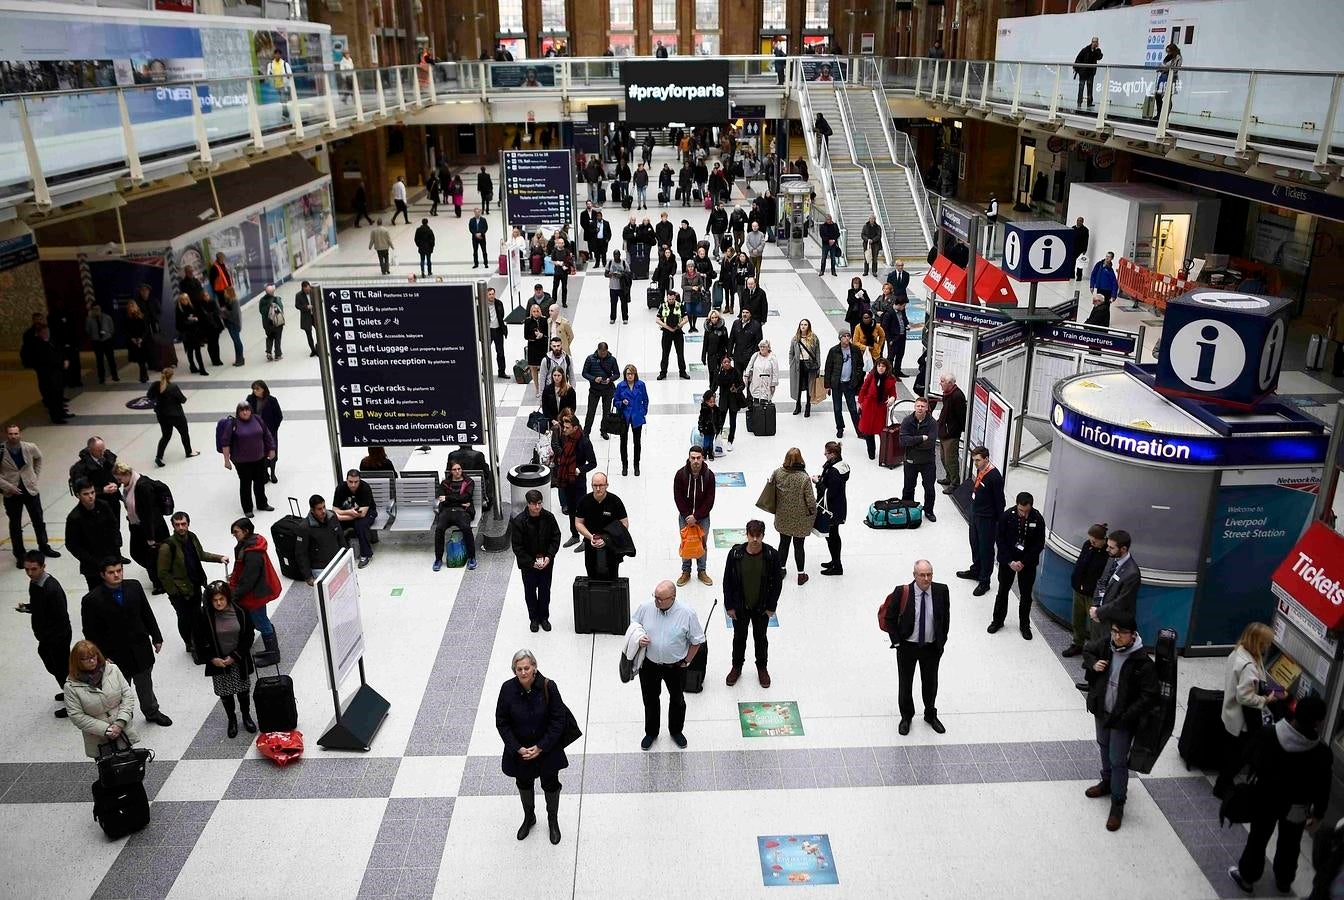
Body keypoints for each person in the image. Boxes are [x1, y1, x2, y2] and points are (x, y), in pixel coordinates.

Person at [1227, 695, 1331, 894]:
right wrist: (1318, 814)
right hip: (1297, 807)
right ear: (1318, 722)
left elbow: (1249, 758)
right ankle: (1284, 881)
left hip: (1266, 799)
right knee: (1290, 844)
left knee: (1258, 839)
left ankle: (1247, 877)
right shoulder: (1322, 752)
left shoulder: (1268, 735)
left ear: (1296, 711)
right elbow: (1323, 786)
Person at [1082, 615, 1159, 832]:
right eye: (1114, 631)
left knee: (1118, 760)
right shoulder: (1107, 644)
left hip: (1122, 721)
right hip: (1102, 711)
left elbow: (1149, 696)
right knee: (1103, 746)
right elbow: (1088, 649)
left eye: (1121, 633)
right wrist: (1093, 664)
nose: (1116, 636)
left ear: (1133, 636)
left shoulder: (1142, 662)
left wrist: (1125, 716)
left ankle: (1118, 803)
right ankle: (1106, 782)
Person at [81, 559, 172, 726]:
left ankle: (151, 711)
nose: (116, 574)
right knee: (118, 691)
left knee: (145, 684)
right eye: (111, 572)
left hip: (140, 647)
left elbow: (146, 613)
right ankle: (122, 721)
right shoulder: (91, 600)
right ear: (103, 574)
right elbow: (90, 632)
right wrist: (102, 655)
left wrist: (156, 637)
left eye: (119, 570)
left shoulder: (134, 587)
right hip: (115, 655)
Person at [497, 649, 572, 845]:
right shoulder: (507, 689)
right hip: (520, 752)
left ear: (535, 668)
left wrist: (540, 747)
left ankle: (552, 820)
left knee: (551, 784)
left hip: (547, 750)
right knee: (524, 783)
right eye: (519, 669)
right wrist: (517, 748)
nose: (523, 672)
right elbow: (502, 722)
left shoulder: (549, 686)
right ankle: (529, 817)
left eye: (527, 668)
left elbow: (558, 720)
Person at [1213, 621, 1282, 798]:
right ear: (1258, 643)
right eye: (1266, 642)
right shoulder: (1248, 666)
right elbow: (1244, 697)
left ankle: (1224, 781)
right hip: (1241, 720)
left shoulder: (1238, 653)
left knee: (1230, 752)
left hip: (1229, 713)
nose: (1268, 646)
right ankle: (1222, 786)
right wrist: (1266, 699)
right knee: (1238, 756)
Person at [633, 580, 705, 750]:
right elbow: (634, 626)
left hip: (675, 667)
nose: (656, 601)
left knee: (677, 700)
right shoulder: (646, 607)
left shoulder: (687, 613)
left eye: (660, 599)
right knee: (650, 699)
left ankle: (676, 731)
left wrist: (687, 661)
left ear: (673, 597)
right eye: (655, 597)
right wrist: (639, 638)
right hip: (649, 664)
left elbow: (697, 640)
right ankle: (651, 732)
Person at [885, 559, 951, 735]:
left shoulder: (941, 590)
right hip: (907, 647)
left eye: (929, 574)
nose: (926, 578)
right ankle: (906, 717)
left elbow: (945, 619)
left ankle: (930, 714)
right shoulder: (902, 592)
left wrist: (941, 642)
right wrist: (897, 642)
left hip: (930, 647)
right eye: (922, 575)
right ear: (914, 575)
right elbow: (889, 618)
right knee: (905, 683)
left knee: (931, 684)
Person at [156, 511, 227, 654]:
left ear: (188, 524)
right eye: (177, 525)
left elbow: (201, 554)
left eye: (183, 524)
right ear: (173, 526)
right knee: (184, 617)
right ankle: (189, 642)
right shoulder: (168, 546)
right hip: (180, 591)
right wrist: (174, 592)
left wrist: (219, 558)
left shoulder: (192, 537)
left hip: (194, 585)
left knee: (196, 614)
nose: (181, 527)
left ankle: (198, 639)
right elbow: (162, 573)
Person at [193, 581, 257, 738]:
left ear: (227, 597)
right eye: (214, 600)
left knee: (243, 692)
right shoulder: (204, 615)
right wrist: (211, 658)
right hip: (219, 663)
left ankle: (246, 716)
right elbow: (198, 641)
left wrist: (235, 656)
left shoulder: (241, 611)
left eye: (221, 599)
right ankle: (232, 720)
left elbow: (249, 636)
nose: (218, 603)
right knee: (226, 695)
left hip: (239, 661)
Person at [722, 519, 782, 688]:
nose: (755, 539)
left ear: (763, 535)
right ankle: (737, 666)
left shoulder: (771, 555)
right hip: (740, 607)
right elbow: (727, 581)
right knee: (739, 638)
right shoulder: (735, 555)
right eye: (752, 535)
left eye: (758, 536)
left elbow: (777, 583)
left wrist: (771, 607)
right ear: (746, 534)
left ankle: (762, 668)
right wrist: (729, 606)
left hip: (762, 607)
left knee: (761, 638)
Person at [64, 640, 143, 756]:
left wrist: (119, 723)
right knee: (108, 770)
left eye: (93, 656)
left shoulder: (113, 669)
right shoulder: (71, 686)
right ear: (77, 661)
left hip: (122, 730)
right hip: (98, 737)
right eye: (86, 658)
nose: (92, 661)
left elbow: (127, 696)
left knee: (130, 765)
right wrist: (106, 730)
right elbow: (76, 716)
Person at [987, 492, 1046, 640]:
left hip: (1027, 563)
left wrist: (1023, 562)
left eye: (1026, 511)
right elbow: (1000, 540)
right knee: (1002, 591)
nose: (1024, 514)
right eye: (1021, 510)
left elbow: (1039, 544)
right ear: (1017, 505)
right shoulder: (1007, 517)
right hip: (1009, 561)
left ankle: (1025, 625)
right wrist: (1010, 561)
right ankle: (998, 621)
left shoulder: (1037, 518)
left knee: (1026, 595)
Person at [1, 424, 59, 567]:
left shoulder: (29, 447)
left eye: (15, 433)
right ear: (6, 435)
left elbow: (39, 458)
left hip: (30, 489)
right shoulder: (1, 451)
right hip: (11, 491)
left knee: (38, 519)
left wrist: (34, 476)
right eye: (10, 434)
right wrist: (8, 487)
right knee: (15, 524)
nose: (13, 436)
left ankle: (44, 546)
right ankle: (20, 554)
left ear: (20, 434)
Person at [24, 551, 72, 719]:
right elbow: (40, 606)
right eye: (27, 569)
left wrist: (51, 638)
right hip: (46, 636)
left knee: (62, 669)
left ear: (43, 567)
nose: (30, 573)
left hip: (57, 637)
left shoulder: (51, 588)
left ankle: (73, 702)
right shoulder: (35, 583)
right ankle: (67, 691)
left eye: (34, 569)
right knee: (53, 665)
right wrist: (29, 607)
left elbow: (60, 617)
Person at [228, 517, 281, 663]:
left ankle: (273, 654)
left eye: (236, 532)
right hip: (255, 591)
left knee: (261, 622)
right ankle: (272, 649)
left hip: (254, 594)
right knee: (261, 620)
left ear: (246, 531)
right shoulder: (250, 545)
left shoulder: (252, 552)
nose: (234, 535)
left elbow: (248, 579)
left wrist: (235, 595)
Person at [956, 446, 1005, 596]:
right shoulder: (980, 470)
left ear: (986, 459)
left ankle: (985, 581)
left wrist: (998, 522)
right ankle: (976, 570)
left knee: (986, 549)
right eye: (974, 460)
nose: (975, 463)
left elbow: (1000, 502)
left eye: (978, 460)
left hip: (987, 519)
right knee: (975, 543)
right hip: (975, 513)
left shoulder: (995, 477)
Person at [511, 490, 561, 633]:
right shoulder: (519, 521)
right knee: (530, 592)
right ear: (528, 504)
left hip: (546, 563)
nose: (537, 507)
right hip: (528, 565)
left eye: (539, 503)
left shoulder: (549, 517)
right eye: (534, 504)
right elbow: (517, 547)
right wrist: (531, 562)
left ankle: (544, 617)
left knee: (545, 591)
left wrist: (549, 557)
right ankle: (533, 619)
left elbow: (555, 538)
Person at [767, 447, 817, 586]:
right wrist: (813, 512)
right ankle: (801, 575)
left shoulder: (777, 473)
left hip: (783, 515)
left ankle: (781, 570)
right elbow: (811, 501)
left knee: (783, 543)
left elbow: (771, 489)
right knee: (799, 546)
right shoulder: (804, 478)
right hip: (800, 518)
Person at [218, 402, 276, 517]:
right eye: (242, 410)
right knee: (246, 483)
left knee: (260, 482)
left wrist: (272, 449)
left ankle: (262, 504)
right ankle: (247, 508)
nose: (245, 412)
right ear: (238, 412)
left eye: (247, 409)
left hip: (259, 458)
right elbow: (225, 443)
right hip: (241, 462)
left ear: (251, 410)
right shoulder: (233, 424)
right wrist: (226, 460)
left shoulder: (257, 419)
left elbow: (267, 434)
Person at [66, 480, 123, 591]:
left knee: (118, 591)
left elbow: (114, 526)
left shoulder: (104, 506)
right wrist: (90, 559)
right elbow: (71, 544)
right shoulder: (74, 518)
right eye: (86, 494)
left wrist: (116, 547)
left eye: (92, 492)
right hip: (93, 566)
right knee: (98, 595)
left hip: (112, 559)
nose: (91, 496)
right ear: (78, 495)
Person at [1063, 523, 1109, 658]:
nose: (1092, 543)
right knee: (1077, 619)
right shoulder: (1087, 545)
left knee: (1095, 625)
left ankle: (1095, 650)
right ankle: (1077, 643)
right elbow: (1080, 564)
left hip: (1093, 594)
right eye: (1090, 540)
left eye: (1095, 541)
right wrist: (1077, 582)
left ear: (1103, 540)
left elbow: (1100, 574)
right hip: (1079, 589)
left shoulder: (1107, 553)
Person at [673, 445, 716, 587]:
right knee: (686, 541)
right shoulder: (680, 475)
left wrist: (696, 516)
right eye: (693, 458)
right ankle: (686, 571)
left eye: (698, 458)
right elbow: (678, 497)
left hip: (702, 518)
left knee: (702, 543)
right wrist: (687, 516)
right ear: (689, 458)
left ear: (703, 458)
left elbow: (710, 500)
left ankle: (702, 570)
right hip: (685, 517)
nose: (696, 461)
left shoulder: (709, 476)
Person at [551, 415, 596, 547]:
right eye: (564, 426)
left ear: (575, 427)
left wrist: (579, 470)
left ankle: (586, 538)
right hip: (567, 479)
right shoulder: (567, 439)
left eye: (567, 427)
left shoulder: (584, 442)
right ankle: (574, 535)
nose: (564, 429)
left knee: (582, 511)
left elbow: (593, 463)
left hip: (579, 481)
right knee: (571, 509)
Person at [575, 472, 630, 580]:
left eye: (601, 485)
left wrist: (608, 538)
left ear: (607, 485)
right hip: (591, 543)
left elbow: (624, 523)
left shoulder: (615, 501)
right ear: (591, 485)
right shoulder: (584, 501)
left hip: (611, 545)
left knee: (612, 573)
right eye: (595, 485)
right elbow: (578, 523)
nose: (598, 488)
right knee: (591, 572)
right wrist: (590, 537)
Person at [1089, 529, 1140, 638]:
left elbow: (1121, 603)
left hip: (1114, 623)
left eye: (1111, 548)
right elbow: (1102, 582)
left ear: (1123, 549)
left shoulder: (1132, 573)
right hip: (1098, 615)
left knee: (1106, 651)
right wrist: (1096, 605)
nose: (1107, 549)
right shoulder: (1112, 558)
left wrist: (1099, 612)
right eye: (1108, 546)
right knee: (1095, 647)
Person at [898, 397, 939, 523]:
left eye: (923, 406)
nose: (920, 408)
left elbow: (931, 443)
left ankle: (929, 510)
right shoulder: (907, 421)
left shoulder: (932, 423)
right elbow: (903, 441)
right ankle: (907, 509)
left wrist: (913, 442)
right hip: (911, 461)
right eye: (918, 406)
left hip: (928, 462)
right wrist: (921, 438)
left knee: (929, 488)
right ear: (914, 407)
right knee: (908, 487)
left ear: (927, 408)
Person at [145, 367, 195, 467]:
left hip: (162, 415)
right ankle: (188, 452)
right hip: (176, 415)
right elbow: (183, 400)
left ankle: (158, 457)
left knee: (166, 436)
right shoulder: (173, 387)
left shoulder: (155, 385)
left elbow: (149, 396)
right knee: (184, 433)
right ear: (171, 376)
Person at [293, 493, 348, 585]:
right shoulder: (304, 528)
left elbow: (340, 537)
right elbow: (301, 554)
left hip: (337, 561)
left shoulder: (332, 516)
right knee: (325, 597)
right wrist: (308, 576)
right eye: (319, 509)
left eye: (324, 507)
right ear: (312, 510)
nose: (323, 511)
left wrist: (346, 556)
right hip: (320, 569)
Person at [814, 440, 850, 575]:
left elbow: (830, 492)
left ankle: (837, 565)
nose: (824, 454)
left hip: (832, 509)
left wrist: (818, 483)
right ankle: (835, 560)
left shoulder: (834, 471)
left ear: (833, 454)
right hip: (838, 506)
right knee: (832, 535)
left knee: (832, 536)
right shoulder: (840, 465)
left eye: (827, 453)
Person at [432, 463, 477, 572]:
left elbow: (467, 496)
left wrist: (448, 498)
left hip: (463, 511)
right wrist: (460, 500)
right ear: (451, 471)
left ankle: (472, 557)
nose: (457, 471)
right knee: (439, 529)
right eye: (454, 469)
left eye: (459, 469)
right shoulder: (445, 483)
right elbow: (442, 498)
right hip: (447, 511)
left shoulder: (469, 482)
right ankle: (438, 559)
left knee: (466, 528)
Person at [333, 469, 378, 568]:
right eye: (350, 482)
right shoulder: (340, 488)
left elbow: (362, 514)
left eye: (356, 482)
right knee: (334, 523)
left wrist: (341, 517)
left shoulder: (365, 488)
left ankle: (365, 555)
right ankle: (340, 552)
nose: (353, 485)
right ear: (346, 480)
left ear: (359, 480)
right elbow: (335, 509)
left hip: (367, 513)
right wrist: (347, 512)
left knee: (360, 525)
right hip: (348, 513)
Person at [611, 364, 649, 477]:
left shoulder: (641, 385)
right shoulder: (620, 386)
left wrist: (643, 411)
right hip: (624, 417)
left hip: (637, 416)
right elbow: (615, 401)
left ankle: (636, 465)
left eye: (632, 373)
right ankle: (625, 465)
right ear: (625, 375)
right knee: (623, 442)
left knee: (637, 442)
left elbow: (645, 399)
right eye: (628, 374)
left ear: (635, 374)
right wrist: (621, 403)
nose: (630, 376)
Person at [857, 356, 897, 460]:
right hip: (869, 406)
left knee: (881, 431)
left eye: (883, 366)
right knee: (868, 430)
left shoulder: (890, 379)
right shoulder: (871, 376)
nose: (881, 368)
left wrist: (892, 398)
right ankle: (871, 452)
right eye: (879, 366)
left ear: (886, 368)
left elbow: (893, 393)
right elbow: (864, 389)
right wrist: (860, 402)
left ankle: (884, 453)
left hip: (881, 407)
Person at [245, 380, 283, 483]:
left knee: (272, 452)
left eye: (257, 389)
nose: (255, 391)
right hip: (256, 432)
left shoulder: (272, 400)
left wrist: (274, 428)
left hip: (270, 431)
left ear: (263, 389)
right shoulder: (250, 399)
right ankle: (265, 473)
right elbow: (245, 413)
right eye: (254, 389)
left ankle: (273, 473)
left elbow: (279, 416)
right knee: (261, 453)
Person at [581, 343, 619, 439]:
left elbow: (617, 373)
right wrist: (594, 379)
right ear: (597, 350)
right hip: (594, 390)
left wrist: (610, 379)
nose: (603, 354)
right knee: (591, 412)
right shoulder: (590, 359)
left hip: (607, 390)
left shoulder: (612, 360)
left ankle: (604, 430)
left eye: (604, 352)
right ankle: (586, 432)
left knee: (606, 412)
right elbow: (584, 373)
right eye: (601, 352)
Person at [937, 373, 966, 490]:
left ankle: (955, 483)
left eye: (942, 381)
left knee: (951, 460)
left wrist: (954, 430)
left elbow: (961, 417)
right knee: (944, 458)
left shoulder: (957, 396)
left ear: (950, 383)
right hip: (944, 431)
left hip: (951, 434)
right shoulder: (948, 393)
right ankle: (949, 477)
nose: (940, 383)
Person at [788, 319, 821, 418]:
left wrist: (818, 365)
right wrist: (791, 363)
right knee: (798, 385)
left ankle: (808, 406)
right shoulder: (795, 339)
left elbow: (817, 353)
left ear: (809, 326)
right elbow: (791, 352)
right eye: (801, 324)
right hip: (798, 365)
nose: (803, 326)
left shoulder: (814, 338)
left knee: (809, 386)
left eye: (805, 324)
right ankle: (798, 405)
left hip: (810, 364)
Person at [656, 290, 690, 381]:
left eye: (672, 299)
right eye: (669, 299)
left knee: (680, 353)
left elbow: (686, 319)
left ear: (675, 297)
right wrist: (667, 327)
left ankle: (682, 372)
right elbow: (657, 320)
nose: (671, 300)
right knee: (665, 354)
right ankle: (663, 372)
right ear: (667, 298)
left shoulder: (680, 305)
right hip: (666, 333)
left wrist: (678, 326)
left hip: (678, 332)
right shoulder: (663, 306)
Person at [85, 303, 119, 384]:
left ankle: (114, 375)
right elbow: (87, 330)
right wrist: (94, 336)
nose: (97, 311)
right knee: (99, 360)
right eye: (95, 309)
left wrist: (108, 334)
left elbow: (112, 328)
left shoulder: (107, 317)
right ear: (92, 310)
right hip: (96, 342)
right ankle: (101, 377)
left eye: (98, 309)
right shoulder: (89, 319)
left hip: (107, 341)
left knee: (111, 359)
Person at [523, 303, 547, 397]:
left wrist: (542, 335)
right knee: (533, 367)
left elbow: (546, 332)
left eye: (537, 311)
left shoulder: (544, 320)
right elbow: (526, 335)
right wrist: (535, 336)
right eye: (534, 311)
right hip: (533, 346)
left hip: (542, 346)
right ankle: (537, 388)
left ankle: (543, 387)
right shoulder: (528, 321)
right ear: (531, 312)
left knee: (543, 367)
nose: (536, 313)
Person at [1153, 42, 1182, 118]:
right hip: (1163, 77)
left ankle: (1165, 115)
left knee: (1168, 97)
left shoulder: (1178, 58)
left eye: (1169, 51)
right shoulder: (1167, 57)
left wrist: (1165, 69)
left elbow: (1175, 69)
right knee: (1158, 95)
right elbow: (1164, 65)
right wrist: (1161, 68)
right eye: (1167, 51)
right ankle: (1160, 113)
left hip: (1170, 79)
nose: (1168, 53)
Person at [883, 296, 911, 375]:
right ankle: (890, 373)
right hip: (893, 338)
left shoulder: (901, 311)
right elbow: (885, 328)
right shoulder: (889, 313)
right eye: (903, 306)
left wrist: (907, 324)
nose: (904, 307)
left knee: (900, 354)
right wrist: (889, 340)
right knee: (891, 356)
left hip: (902, 336)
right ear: (898, 304)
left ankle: (897, 371)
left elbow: (904, 319)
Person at [1074, 37, 1103, 109]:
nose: (1095, 43)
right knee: (1081, 87)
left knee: (1090, 87)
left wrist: (1097, 50)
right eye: (1094, 42)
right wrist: (1079, 70)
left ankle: (1089, 102)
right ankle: (1079, 102)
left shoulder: (1097, 51)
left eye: (1096, 42)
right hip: (1083, 73)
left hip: (1090, 73)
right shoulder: (1085, 50)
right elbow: (1078, 59)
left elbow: (1099, 57)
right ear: (1092, 42)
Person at [258, 284, 284, 361]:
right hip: (277, 323)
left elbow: (261, 311)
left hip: (267, 324)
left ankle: (269, 352)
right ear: (273, 292)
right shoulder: (276, 299)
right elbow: (281, 309)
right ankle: (278, 354)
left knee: (269, 337)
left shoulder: (262, 300)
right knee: (277, 338)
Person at [605, 250, 631, 324]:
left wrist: (621, 275)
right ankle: (613, 318)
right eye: (615, 255)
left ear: (620, 255)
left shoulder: (623, 262)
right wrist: (611, 275)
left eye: (617, 255)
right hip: (613, 287)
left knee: (624, 303)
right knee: (613, 303)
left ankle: (625, 318)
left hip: (622, 287)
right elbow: (605, 274)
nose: (616, 256)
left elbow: (628, 273)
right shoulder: (610, 263)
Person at [293, 280, 317, 357]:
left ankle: (319, 347)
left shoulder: (314, 292)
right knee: (309, 334)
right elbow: (297, 306)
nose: (308, 291)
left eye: (309, 289)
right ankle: (313, 350)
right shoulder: (298, 295)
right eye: (306, 290)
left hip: (315, 316)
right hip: (306, 317)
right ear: (303, 289)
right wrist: (306, 307)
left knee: (320, 332)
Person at [550, 237, 573, 308]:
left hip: (564, 272)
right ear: (557, 243)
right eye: (560, 243)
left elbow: (570, 260)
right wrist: (557, 263)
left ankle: (564, 302)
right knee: (555, 287)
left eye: (562, 243)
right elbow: (552, 260)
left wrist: (566, 264)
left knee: (564, 288)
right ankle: (553, 301)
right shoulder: (554, 251)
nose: (561, 244)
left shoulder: (566, 251)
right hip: (557, 272)